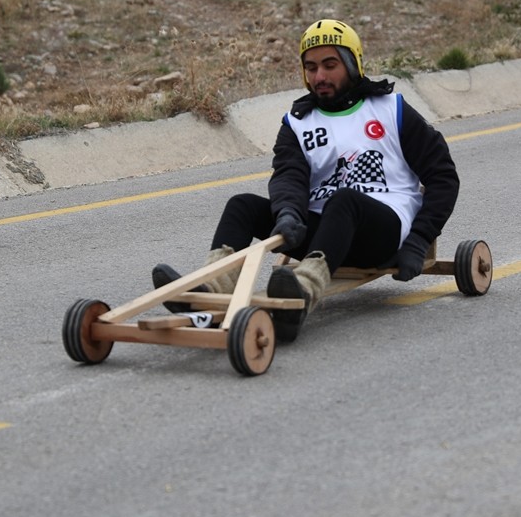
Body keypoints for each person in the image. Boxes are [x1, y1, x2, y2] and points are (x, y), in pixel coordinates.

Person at [153, 18, 460, 341]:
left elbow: (443, 177)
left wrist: (418, 240)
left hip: (381, 233)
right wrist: (288, 213)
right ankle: (210, 291)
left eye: (330, 65)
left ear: (353, 64)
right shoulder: (298, 123)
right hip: (323, 233)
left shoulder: (390, 109)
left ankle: (300, 295)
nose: (320, 77)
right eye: (311, 68)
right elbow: (289, 176)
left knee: (345, 202)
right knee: (242, 205)